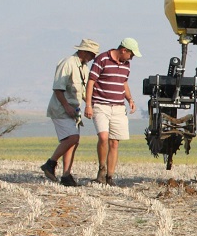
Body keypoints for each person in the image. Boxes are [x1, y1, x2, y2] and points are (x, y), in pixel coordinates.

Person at [41, 39, 99, 186]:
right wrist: (66, 106)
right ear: (84, 51)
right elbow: (58, 88)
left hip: (74, 110)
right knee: (72, 138)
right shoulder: (67, 63)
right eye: (92, 54)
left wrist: (91, 104)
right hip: (61, 109)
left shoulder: (84, 67)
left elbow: (83, 92)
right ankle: (50, 163)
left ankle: (66, 175)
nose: (93, 57)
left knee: (73, 142)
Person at [84, 38, 141, 185]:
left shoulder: (126, 65)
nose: (132, 58)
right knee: (103, 137)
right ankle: (101, 169)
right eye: (131, 54)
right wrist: (88, 105)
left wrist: (130, 99)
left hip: (118, 107)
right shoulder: (102, 59)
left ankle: (110, 176)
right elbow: (91, 81)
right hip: (101, 105)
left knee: (114, 142)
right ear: (124, 50)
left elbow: (123, 82)